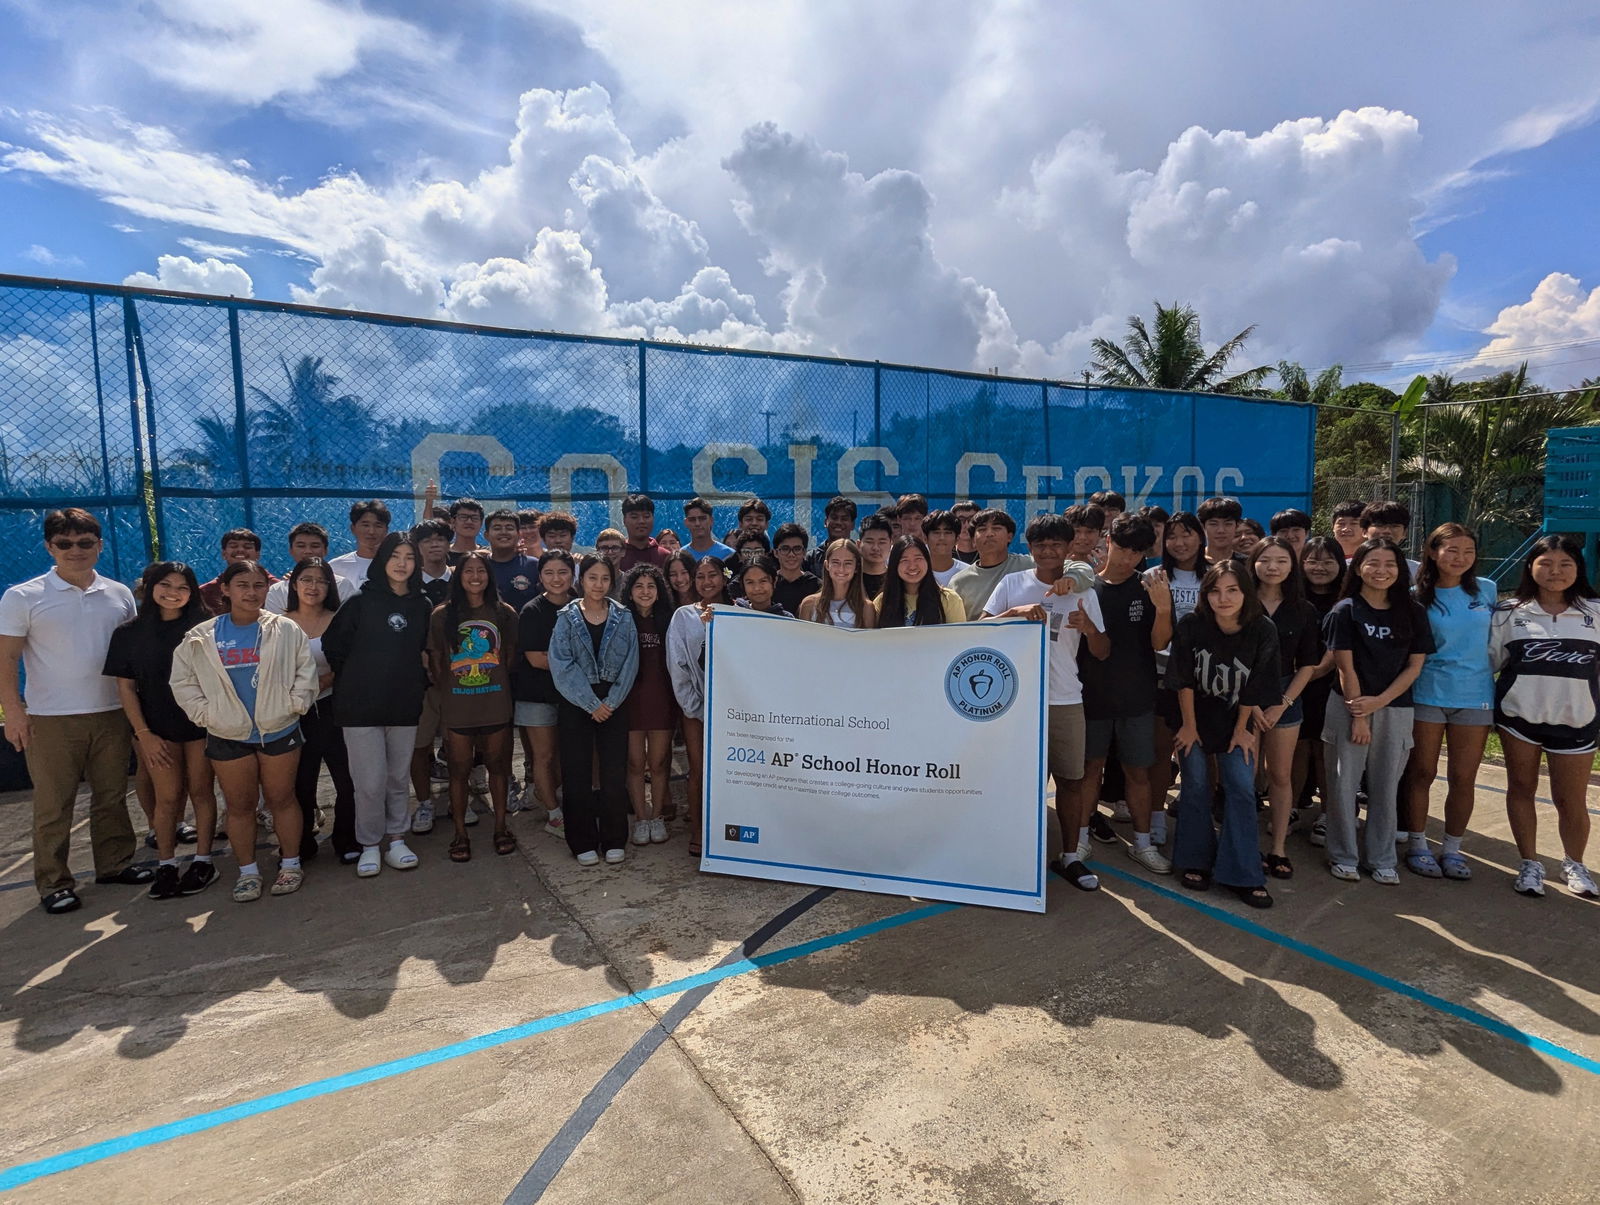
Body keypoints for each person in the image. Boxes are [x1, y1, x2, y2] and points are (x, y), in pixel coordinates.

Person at [0, 508, 147, 914]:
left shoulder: (118, 594)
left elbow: (131, 656)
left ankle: (115, 865)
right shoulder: (22, 597)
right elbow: (6, 659)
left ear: (99, 545)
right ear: (50, 547)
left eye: (85, 543)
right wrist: (14, 710)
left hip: (112, 713)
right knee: (53, 804)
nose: (75, 550)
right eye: (64, 543)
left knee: (112, 796)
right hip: (51, 720)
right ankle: (53, 883)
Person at [170, 560, 317, 901]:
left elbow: (304, 672)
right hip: (228, 734)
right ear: (225, 589)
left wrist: (293, 706)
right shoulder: (201, 637)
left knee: (282, 799)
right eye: (242, 586)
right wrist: (208, 715)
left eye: (258, 586)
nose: (251, 593)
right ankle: (248, 871)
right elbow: (183, 682)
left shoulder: (286, 629)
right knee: (240, 806)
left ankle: (291, 864)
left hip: (279, 729)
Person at [983, 514, 1108, 890]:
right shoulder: (1012, 583)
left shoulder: (1083, 592)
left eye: (1056, 544)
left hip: (1065, 699)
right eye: (1041, 545)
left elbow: (1102, 650)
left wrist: (1088, 629)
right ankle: (1017, 854)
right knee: (1020, 783)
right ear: (1029, 547)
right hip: (1016, 701)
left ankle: (1070, 856)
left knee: (1072, 780)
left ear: (1069, 548)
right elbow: (979, 629)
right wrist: (1013, 613)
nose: (1048, 551)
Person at [1490, 535, 1600, 899]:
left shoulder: (1596, 612)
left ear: (1578, 568)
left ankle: (1575, 863)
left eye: (1565, 564)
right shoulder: (1509, 612)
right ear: (1530, 567)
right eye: (1546, 564)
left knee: (1571, 799)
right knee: (1521, 789)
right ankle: (1529, 863)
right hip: (1518, 720)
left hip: (1577, 722)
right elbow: (1492, 663)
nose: (1555, 572)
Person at [1167, 561, 1281, 907]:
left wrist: (1242, 729)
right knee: (1196, 785)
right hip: (1193, 718)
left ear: (1246, 593)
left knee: (1242, 788)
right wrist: (1188, 726)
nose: (1223, 598)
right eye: (1215, 591)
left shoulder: (1262, 629)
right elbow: (1183, 679)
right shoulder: (1191, 625)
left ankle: (1242, 872)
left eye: (1232, 590)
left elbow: (1257, 685)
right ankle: (1194, 860)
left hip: (1236, 720)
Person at [1322, 539, 1434, 885]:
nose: (1381, 571)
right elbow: (1345, 667)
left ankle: (1382, 857)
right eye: (1373, 563)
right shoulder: (1345, 610)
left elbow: (1414, 666)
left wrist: (1380, 702)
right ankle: (1343, 855)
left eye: (1390, 564)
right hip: (1348, 706)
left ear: (1401, 570)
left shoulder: (1413, 611)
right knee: (1343, 785)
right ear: (1358, 568)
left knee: (1386, 786)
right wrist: (1359, 714)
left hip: (1395, 708)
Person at [105, 561, 217, 900]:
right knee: (168, 798)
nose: (173, 593)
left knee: (201, 791)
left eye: (182, 587)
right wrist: (144, 734)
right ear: (151, 587)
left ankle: (202, 861)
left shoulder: (205, 626)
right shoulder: (128, 632)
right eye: (165, 585)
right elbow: (126, 689)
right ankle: (166, 865)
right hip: (156, 729)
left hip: (200, 725)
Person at [323, 533, 433, 878]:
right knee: (369, 782)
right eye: (395, 556)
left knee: (398, 778)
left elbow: (426, 652)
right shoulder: (359, 601)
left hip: (403, 704)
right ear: (382, 560)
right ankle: (370, 845)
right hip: (360, 707)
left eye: (409, 557)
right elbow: (334, 648)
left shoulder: (422, 605)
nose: (402, 564)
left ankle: (397, 838)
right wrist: (362, 678)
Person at [1077, 515, 1173, 872]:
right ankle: (1080, 837)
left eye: (1137, 552)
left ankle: (1143, 843)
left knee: (1138, 773)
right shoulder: (1085, 587)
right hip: (1091, 695)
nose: (1128, 557)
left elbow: (1160, 642)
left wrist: (1163, 607)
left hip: (1137, 696)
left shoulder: (1150, 587)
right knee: (1090, 770)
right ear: (1107, 540)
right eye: (1123, 547)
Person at [1400, 523, 1493, 880]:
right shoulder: (1414, 596)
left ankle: (1453, 849)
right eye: (1451, 550)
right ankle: (1419, 844)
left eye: (1468, 551)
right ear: (1433, 552)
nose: (1460, 558)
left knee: (1463, 777)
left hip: (1475, 696)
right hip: (1427, 693)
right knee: (1422, 772)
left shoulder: (1487, 590)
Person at [549, 554, 640, 866]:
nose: (598, 584)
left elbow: (631, 663)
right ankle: (582, 841)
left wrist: (610, 703)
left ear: (612, 582)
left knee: (614, 774)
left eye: (604, 579)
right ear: (581, 580)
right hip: (577, 702)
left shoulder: (623, 617)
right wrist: (590, 704)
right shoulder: (566, 617)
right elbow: (561, 665)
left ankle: (615, 838)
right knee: (576, 775)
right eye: (592, 578)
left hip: (614, 701)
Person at [430, 551, 519, 863]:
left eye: (481, 570)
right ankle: (460, 833)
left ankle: (500, 827)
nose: (475, 576)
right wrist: (454, 694)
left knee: (498, 767)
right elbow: (438, 662)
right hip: (458, 708)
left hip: (495, 704)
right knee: (458, 771)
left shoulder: (504, 612)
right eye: (468, 570)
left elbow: (508, 657)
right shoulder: (442, 615)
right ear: (459, 576)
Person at [1249, 536, 1324, 880]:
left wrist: (1284, 703)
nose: (1273, 567)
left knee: (1279, 776)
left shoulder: (1303, 609)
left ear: (1292, 566)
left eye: (1281, 560)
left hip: (1285, 693)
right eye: (1265, 560)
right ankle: (1244, 846)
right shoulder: (1240, 601)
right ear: (1253, 563)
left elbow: (1308, 664)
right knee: (1243, 777)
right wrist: (1249, 705)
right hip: (1242, 696)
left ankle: (1278, 847)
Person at [282, 558, 355, 865]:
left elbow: (351, 661)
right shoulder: (278, 623)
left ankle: (347, 839)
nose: (313, 587)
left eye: (321, 581)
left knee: (347, 779)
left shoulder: (340, 620)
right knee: (300, 782)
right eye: (306, 579)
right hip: (292, 712)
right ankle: (301, 842)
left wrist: (324, 682)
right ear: (294, 584)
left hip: (334, 707)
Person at [669, 555, 732, 853]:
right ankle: (697, 831)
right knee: (699, 770)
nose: (707, 582)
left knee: (731, 772)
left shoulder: (740, 611)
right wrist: (697, 709)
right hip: (698, 711)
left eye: (713, 575)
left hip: (734, 712)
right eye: (701, 576)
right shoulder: (683, 616)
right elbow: (678, 667)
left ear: (724, 577)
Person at [516, 550, 576, 838]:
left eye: (563, 572)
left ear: (572, 574)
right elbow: (536, 659)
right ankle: (553, 815)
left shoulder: (581, 605)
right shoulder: (532, 611)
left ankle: (569, 805)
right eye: (549, 573)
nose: (556, 579)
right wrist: (578, 664)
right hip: (536, 694)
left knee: (570, 755)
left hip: (572, 696)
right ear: (540, 577)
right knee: (544, 756)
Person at [622, 563, 679, 845]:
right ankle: (640, 819)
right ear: (629, 592)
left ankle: (657, 817)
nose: (645, 592)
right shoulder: (620, 620)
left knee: (658, 763)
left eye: (651, 586)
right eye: (639, 586)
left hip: (662, 700)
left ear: (659, 591)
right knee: (634, 763)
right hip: (629, 702)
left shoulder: (669, 621)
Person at [1297, 536, 1346, 848]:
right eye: (1313, 561)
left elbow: (1340, 647)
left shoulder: (1346, 599)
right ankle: (1289, 808)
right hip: (1293, 685)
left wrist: (1316, 671)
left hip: (1330, 684)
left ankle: (1329, 813)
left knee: (1326, 752)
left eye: (1328, 561)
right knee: (1297, 749)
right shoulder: (1293, 596)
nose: (1320, 567)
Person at [951, 508, 1067, 621]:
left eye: (996, 528)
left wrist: (1073, 577)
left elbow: (1075, 566)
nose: (989, 534)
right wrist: (1013, 613)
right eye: (982, 529)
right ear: (973, 541)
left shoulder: (1032, 564)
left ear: (1010, 537)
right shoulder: (959, 582)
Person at [874, 536, 964, 626]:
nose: (912, 566)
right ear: (894, 564)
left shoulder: (949, 600)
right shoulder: (882, 601)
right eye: (904, 560)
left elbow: (959, 638)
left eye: (918, 559)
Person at [798, 540, 878, 630]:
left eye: (848, 563)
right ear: (827, 565)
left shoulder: (866, 608)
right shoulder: (809, 604)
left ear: (856, 567)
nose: (841, 568)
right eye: (835, 562)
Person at [198, 528, 278, 615]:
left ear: (257, 554)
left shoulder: (277, 588)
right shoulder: (206, 592)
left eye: (247, 547)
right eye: (233, 546)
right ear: (224, 554)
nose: (240, 550)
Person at [328, 500, 392, 597]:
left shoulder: (397, 566)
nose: (371, 531)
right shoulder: (335, 567)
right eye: (365, 525)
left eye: (378, 525)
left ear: (386, 530)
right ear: (353, 528)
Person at [265, 522, 332, 613]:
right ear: (291, 550)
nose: (308, 551)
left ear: (325, 550)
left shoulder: (342, 585)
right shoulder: (278, 591)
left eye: (315, 546)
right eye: (301, 546)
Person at [483, 508, 540, 615]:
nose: (503, 532)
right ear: (486, 535)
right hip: (485, 630)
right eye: (497, 528)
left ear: (519, 534)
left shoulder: (534, 565)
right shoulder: (480, 566)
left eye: (509, 528)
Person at [769, 523, 820, 615]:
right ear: (775, 553)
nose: (791, 554)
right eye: (785, 549)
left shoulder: (817, 586)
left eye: (797, 549)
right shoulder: (768, 584)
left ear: (804, 552)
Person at [1359, 499, 1420, 576]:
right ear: (1364, 531)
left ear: (1405, 533)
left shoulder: (1417, 571)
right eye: (1380, 525)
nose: (1387, 531)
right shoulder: (1346, 567)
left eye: (1394, 526)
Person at [805, 496, 859, 576]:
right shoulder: (811, 558)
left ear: (853, 525)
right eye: (834, 518)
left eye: (844, 519)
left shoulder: (860, 556)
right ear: (825, 522)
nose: (838, 522)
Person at [619, 493, 672, 573]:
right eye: (634, 517)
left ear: (653, 518)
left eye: (646, 516)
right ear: (624, 520)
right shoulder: (618, 557)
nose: (641, 521)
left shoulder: (665, 557)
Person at [682, 496, 736, 563]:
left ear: (711, 520)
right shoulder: (681, 556)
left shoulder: (729, 554)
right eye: (692, 519)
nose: (697, 523)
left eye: (702, 518)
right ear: (686, 523)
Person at [857, 513, 895, 600]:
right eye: (870, 542)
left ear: (890, 544)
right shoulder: (849, 578)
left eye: (882, 542)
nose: (876, 548)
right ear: (858, 545)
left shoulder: (896, 579)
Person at [1197, 496, 1242, 565]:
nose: (1221, 530)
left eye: (1228, 524)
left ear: (1237, 526)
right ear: (1203, 526)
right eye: (1213, 524)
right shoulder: (1191, 562)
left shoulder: (1247, 564)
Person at [446, 497, 485, 565]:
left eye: (475, 518)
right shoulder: (442, 555)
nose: (469, 522)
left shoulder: (487, 556)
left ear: (481, 523)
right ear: (452, 521)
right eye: (463, 517)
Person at [950, 500, 980, 565]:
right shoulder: (946, 554)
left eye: (971, 519)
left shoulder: (987, 553)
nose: (966, 525)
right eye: (961, 520)